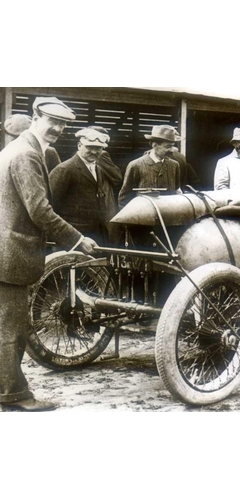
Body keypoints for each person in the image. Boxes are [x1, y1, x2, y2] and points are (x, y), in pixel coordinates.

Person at [0, 96, 97, 412]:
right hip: (12, 253)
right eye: (52, 121)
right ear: (35, 117)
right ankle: (14, 395)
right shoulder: (26, 154)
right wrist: (77, 238)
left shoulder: (16, 150)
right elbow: (39, 210)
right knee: (11, 329)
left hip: (7, 248)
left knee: (8, 326)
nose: (58, 128)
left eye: (63, 124)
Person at [50, 127, 122, 246]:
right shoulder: (64, 169)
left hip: (98, 235)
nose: (94, 152)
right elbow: (51, 206)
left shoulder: (98, 169)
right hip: (76, 237)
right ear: (79, 146)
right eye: (90, 147)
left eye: (98, 148)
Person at [118, 125, 181, 208]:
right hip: (144, 217)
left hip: (169, 216)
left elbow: (177, 192)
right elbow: (124, 197)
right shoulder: (136, 165)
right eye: (167, 147)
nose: (172, 150)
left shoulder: (174, 165)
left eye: (172, 146)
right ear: (154, 145)